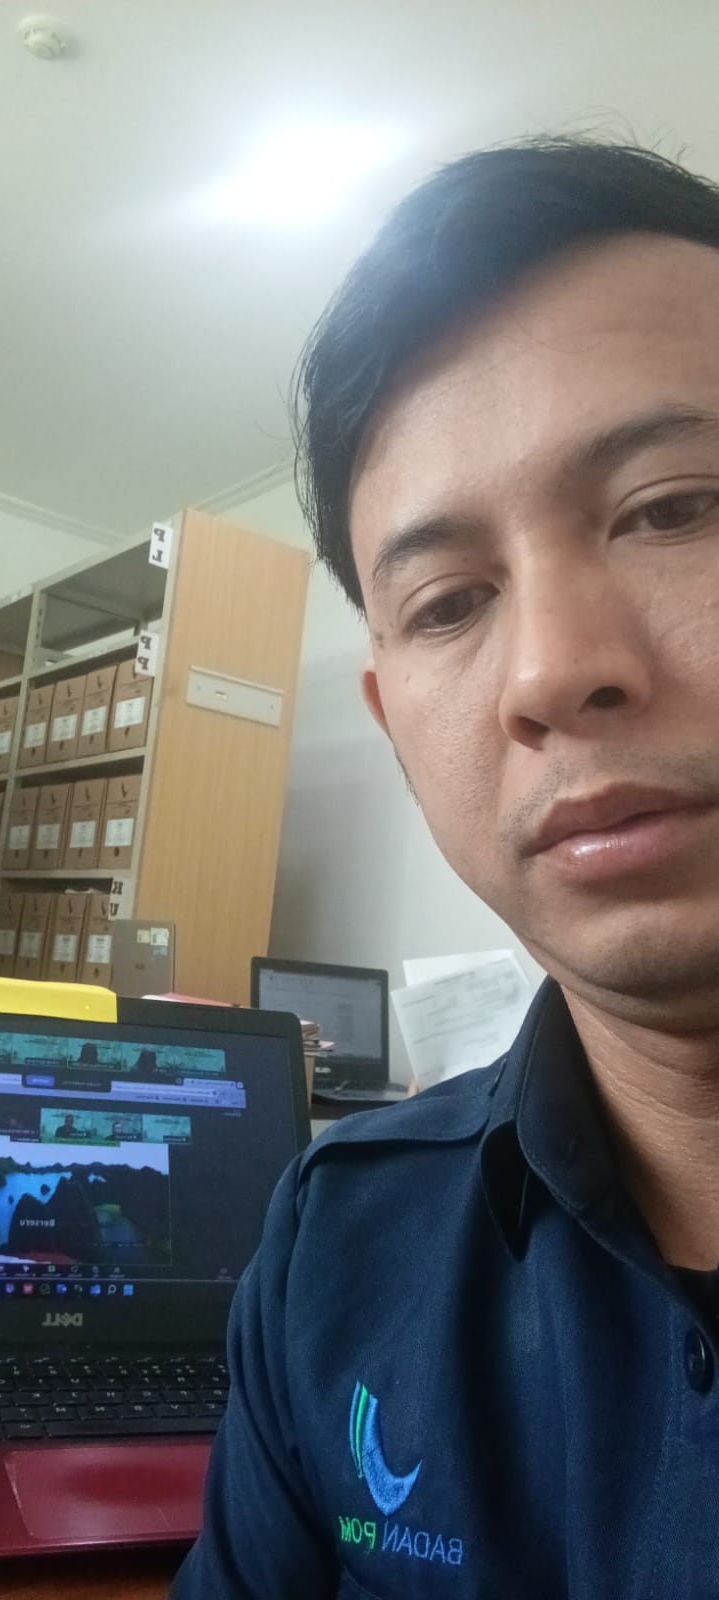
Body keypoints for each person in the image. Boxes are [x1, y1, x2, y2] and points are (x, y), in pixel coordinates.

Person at [172, 139, 719, 1598]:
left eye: (673, 507)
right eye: (450, 602)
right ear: (393, 724)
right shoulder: (340, 1241)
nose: (550, 672)